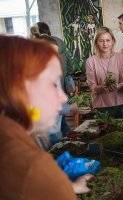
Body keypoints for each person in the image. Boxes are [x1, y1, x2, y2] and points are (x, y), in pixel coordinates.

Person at [0, 36, 92, 199]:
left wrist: (67, 187)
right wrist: (57, 187)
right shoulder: (33, 166)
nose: (63, 98)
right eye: (53, 84)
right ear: (20, 88)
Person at [86, 27, 123, 118]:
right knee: (104, 132)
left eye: (108, 40)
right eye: (101, 41)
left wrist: (118, 86)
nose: (105, 44)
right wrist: (102, 87)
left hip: (122, 105)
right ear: (96, 43)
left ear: (113, 41)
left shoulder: (121, 57)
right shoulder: (91, 61)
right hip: (102, 106)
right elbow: (92, 86)